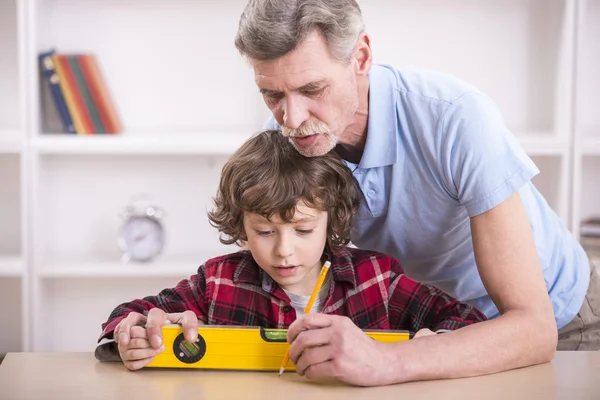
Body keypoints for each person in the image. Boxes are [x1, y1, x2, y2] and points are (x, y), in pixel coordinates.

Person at [233, 0, 600, 385]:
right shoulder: (287, 139)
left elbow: (534, 330)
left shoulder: (456, 119)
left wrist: (387, 360)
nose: (291, 119)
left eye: (312, 89)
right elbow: (261, 277)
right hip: (433, 329)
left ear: (360, 57)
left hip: (561, 322)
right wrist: (181, 319)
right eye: (272, 95)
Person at [95, 130, 486, 381]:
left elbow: (468, 322)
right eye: (263, 232)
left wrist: (419, 349)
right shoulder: (217, 282)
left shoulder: (376, 280)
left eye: (303, 230)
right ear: (240, 225)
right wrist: (134, 332)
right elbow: (123, 317)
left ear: (332, 219)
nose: (283, 250)